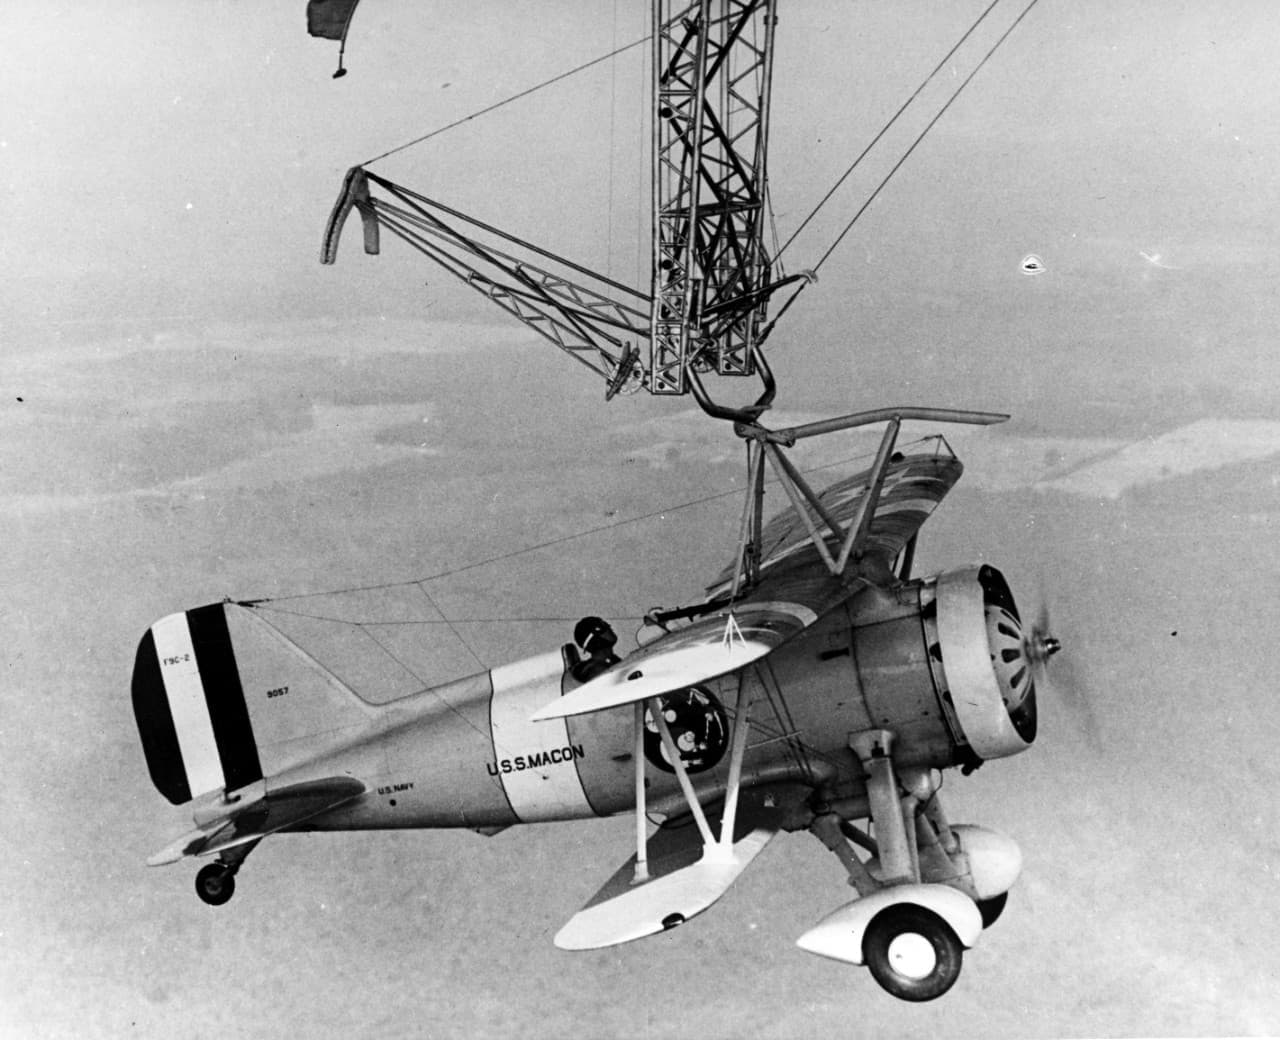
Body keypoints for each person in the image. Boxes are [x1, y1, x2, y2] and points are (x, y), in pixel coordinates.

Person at [570, 616, 620, 682]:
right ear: (595, 639)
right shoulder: (598, 671)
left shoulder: (613, 660)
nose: (609, 627)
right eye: (604, 627)